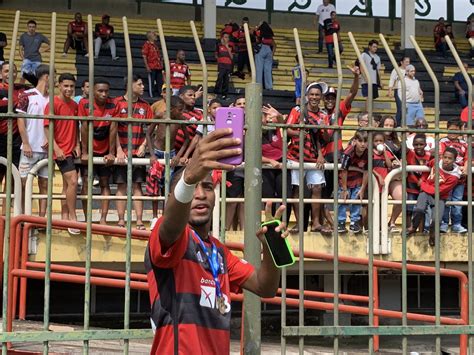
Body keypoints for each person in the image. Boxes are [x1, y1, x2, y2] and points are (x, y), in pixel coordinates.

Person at [145, 126, 287, 353]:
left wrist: (273, 249)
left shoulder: (219, 252)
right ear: (174, 197)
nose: (200, 194)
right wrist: (188, 178)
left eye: (208, 187)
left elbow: (265, 287)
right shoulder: (169, 235)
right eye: (193, 188)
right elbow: (171, 227)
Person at [113, 74, 153, 230]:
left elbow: (150, 129)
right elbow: (113, 128)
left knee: (137, 186)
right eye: (140, 84)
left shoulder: (145, 106)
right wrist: (118, 149)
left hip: (138, 152)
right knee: (121, 186)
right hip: (121, 151)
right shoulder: (117, 103)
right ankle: (121, 220)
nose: (143, 87)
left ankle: (139, 221)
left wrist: (144, 146)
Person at [287, 82, 327, 234]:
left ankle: (316, 223)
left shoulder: (323, 115)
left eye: (317, 95)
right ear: (307, 96)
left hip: (315, 156)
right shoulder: (297, 110)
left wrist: (321, 155)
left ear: (321, 97)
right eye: (312, 94)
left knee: (317, 188)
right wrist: (298, 133)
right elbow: (287, 129)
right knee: (297, 189)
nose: (314, 97)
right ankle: (298, 223)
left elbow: (325, 137)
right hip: (296, 156)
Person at [44, 73, 80, 234]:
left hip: (70, 150)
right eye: (66, 85)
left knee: (67, 185)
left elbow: (76, 126)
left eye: (72, 86)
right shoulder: (53, 103)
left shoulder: (74, 105)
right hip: (60, 151)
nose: (69, 89)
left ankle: (64, 216)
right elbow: (46, 127)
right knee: (73, 181)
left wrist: (77, 144)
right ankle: (73, 218)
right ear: (59, 85)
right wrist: (56, 148)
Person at [78, 78, 118, 225]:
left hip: (104, 148)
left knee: (104, 183)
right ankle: (87, 218)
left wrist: (111, 152)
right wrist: (84, 151)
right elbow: (83, 126)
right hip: (89, 147)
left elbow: (113, 129)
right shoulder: (84, 104)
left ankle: (103, 219)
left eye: (106, 91)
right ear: (93, 91)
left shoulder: (113, 105)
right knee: (87, 183)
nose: (103, 94)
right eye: (100, 91)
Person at [146, 96, 187, 229]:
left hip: (171, 153)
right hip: (158, 153)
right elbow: (148, 134)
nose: (182, 112)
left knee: (167, 185)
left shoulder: (180, 119)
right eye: (180, 110)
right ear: (171, 108)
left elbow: (187, 139)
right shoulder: (159, 115)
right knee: (155, 185)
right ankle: (154, 216)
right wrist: (152, 154)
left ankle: (165, 215)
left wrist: (179, 156)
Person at [407, 148, 461, 247]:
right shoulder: (436, 162)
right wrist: (423, 179)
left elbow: (439, 190)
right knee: (419, 209)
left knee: (437, 219)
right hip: (426, 192)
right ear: (442, 157)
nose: (446, 160)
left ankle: (433, 234)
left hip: (440, 196)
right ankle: (413, 227)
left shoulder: (454, 177)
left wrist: (423, 185)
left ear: (454, 160)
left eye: (450, 158)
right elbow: (426, 170)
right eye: (445, 157)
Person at [16, 64, 50, 217]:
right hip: (29, 149)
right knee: (23, 184)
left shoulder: (53, 99)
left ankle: (42, 218)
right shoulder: (26, 95)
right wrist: (26, 143)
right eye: (53, 76)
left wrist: (51, 140)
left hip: (46, 150)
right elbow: (20, 121)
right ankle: (23, 215)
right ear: (46, 76)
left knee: (45, 184)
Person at [439, 119, 468, 234]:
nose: (453, 132)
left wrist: (465, 168)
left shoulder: (464, 144)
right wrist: (456, 168)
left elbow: (467, 158)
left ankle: (456, 224)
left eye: (456, 130)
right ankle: (444, 223)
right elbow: (442, 157)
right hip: (447, 177)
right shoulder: (442, 141)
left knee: (457, 202)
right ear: (447, 129)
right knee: (446, 200)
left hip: (460, 179)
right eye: (450, 130)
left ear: (460, 131)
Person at [337, 130, 368, 234]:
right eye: (360, 141)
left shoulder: (369, 153)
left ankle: (354, 222)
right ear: (355, 141)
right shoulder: (348, 153)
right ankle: (340, 222)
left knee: (357, 199)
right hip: (345, 181)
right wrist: (345, 189)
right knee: (343, 199)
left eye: (365, 141)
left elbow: (367, 171)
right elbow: (344, 171)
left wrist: (363, 188)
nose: (363, 144)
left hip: (358, 180)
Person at [406, 134, 431, 231]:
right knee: (409, 209)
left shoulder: (430, 155)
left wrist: (423, 183)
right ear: (412, 145)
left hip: (423, 187)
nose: (419, 147)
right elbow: (411, 172)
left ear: (425, 144)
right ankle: (408, 229)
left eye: (421, 144)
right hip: (411, 186)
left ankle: (421, 231)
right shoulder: (410, 154)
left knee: (421, 210)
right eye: (416, 144)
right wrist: (418, 182)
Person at [18, 20, 50, 85]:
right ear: (27, 27)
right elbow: (20, 48)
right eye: (30, 27)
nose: (31, 28)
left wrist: (44, 50)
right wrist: (23, 58)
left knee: (37, 77)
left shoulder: (40, 36)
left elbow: (51, 44)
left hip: (37, 59)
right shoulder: (23, 36)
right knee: (23, 76)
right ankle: (20, 91)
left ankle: (37, 91)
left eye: (33, 27)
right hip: (27, 59)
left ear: (35, 27)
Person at [360, 40, 383, 111]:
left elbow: (378, 70)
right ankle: (367, 112)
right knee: (368, 97)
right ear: (369, 47)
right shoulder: (364, 55)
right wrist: (365, 78)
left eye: (376, 47)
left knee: (372, 97)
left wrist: (380, 81)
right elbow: (361, 67)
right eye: (374, 47)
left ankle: (371, 112)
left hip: (374, 80)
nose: (375, 48)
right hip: (366, 80)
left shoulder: (378, 57)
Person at [388, 56, 410, 127]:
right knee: (400, 108)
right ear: (401, 62)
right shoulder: (396, 70)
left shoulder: (409, 70)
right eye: (406, 62)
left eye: (409, 62)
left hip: (407, 92)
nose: (408, 63)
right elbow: (392, 80)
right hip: (398, 90)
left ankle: (404, 124)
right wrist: (390, 90)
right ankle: (397, 124)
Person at [254, 21, 275, 90]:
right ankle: (269, 86)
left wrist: (257, 26)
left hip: (261, 49)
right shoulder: (269, 35)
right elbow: (274, 45)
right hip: (269, 50)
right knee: (268, 70)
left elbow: (253, 33)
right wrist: (272, 54)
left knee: (259, 69)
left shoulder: (260, 32)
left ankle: (258, 86)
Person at [142, 31, 163, 98]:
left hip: (158, 67)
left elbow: (159, 56)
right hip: (152, 66)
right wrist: (147, 66)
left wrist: (161, 64)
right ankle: (151, 96)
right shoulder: (146, 45)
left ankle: (160, 94)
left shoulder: (156, 46)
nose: (155, 35)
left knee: (160, 82)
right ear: (150, 36)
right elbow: (144, 56)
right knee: (151, 82)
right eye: (154, 35)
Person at [214, 33, 233, 99]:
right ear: (222, 38)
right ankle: (216, 93)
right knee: (219, 78)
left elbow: (232, 57)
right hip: (221, 65)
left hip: (228, 66)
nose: (226, 38)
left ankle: (224, 95)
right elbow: (216, 55)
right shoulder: (219, 46)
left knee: (226, 80)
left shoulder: (230, 46)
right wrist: (218, 60)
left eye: (227, 37)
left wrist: (227, 47)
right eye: (225, 37)